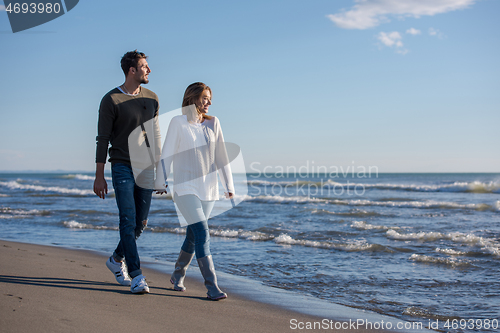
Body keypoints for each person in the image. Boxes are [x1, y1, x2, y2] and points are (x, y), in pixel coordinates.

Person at [155, 82, 234, 300]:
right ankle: (212, 287)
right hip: (185, 188)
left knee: (192, 235)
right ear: (192, 97)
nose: (208, 102)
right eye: (205, 97)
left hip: (209, 189)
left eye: (210, 98)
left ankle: (177, 274)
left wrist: (229, 185)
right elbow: (167, 153)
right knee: (202, 233)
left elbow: (221, 156)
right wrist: (160, 181)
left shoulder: (213, 122)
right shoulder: (178, 122)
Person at [93, 50, 161, 294]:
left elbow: (154, 136)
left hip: (146, 167)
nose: (149, 70)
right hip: (121, 165)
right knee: (127, 219)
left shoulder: (152, 98)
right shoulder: (110, 100)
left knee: (140, 224)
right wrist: (99, 175)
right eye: (144, 66)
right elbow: (102, 139)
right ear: (132, 70)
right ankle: (136, 275)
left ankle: (115, 259)